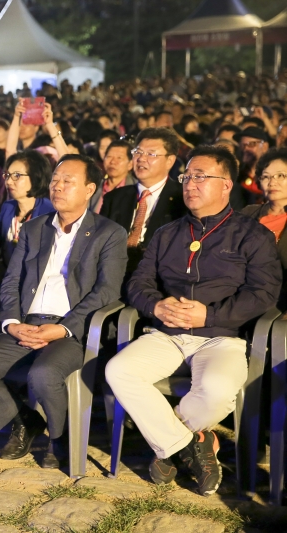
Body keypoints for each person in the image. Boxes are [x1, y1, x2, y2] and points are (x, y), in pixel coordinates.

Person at [105, 146, 281, 497]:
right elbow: (138, 283)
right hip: (167, 333)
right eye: (187, 177)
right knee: (118, 371)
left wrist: (209, 314)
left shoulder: (252, 235)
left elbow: (263, 293)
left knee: (217, 391)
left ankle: (168, 444)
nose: (190, 184)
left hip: (221, 336)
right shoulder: (167, 233)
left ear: (226, 185)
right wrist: (156, 307)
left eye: (201, 176)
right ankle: (193, 443)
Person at [0, 154, 127, 468]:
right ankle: (23, 421)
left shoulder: (109, 233)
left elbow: (107, 290)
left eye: (68, 181)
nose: (58, 187)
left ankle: (60, 436)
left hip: (71, 329)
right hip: (27, 322)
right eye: (55, 180)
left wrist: (63, 328)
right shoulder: (34, 228)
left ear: (89, 189)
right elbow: (11, 280)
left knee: (43, 373)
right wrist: (11, 322)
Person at [100, 128, 187, 274]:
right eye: (138, 152)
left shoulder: (182, 199)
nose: (141, 159)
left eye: (151, 154)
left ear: (170, 161)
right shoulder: (114, 198)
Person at [0, 150, 55, 270]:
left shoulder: (49, 212)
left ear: (35, 177)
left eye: (17, 176)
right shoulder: (8, 207)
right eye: (7, 175)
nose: (8, 181)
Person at [242, 148, 287, 309]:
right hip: (244, 294)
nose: (272, 182)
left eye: (280, 176)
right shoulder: (248, 214)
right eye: (266, 177)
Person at [90, 140, 136, 213]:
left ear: (130, 164)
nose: (113, 162)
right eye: (109, 157)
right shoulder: (94, 186)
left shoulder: (136, 190)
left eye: (119, 158)